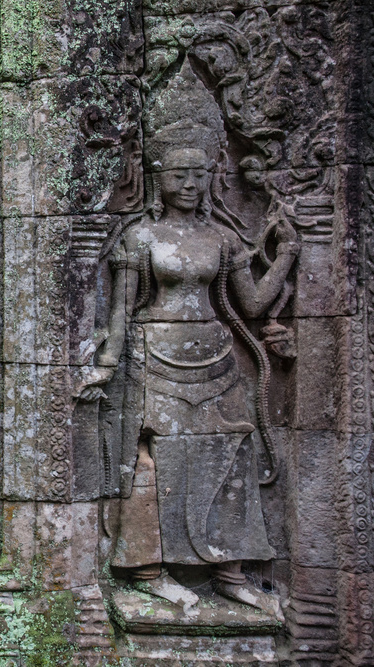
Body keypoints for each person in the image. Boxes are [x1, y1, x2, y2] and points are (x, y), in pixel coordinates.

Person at [79, 60, 297, 617]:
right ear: (158, 177)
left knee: (232, 455)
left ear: (210, 178)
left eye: (199, 175)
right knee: (150, 463)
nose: (189, 184)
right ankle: (150, 571)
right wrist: (105, 363)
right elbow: (123, 311)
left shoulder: (223, 237)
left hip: (218, 356)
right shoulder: (140, 235)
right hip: (154, 357)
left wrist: (288, 254)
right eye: (178, 175)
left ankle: (230, 570)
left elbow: (249, 304)